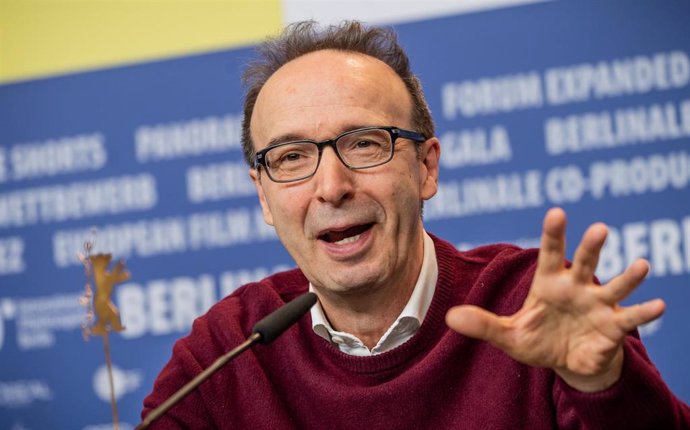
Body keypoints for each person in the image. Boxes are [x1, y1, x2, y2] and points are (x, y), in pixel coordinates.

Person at [142, 21, 690, 429]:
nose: (331, 187)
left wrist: (601, 386)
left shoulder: (531, 306)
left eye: (364, 144)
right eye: (290, 157)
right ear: (263, 194)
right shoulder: (225, 352)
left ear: (426, 167)